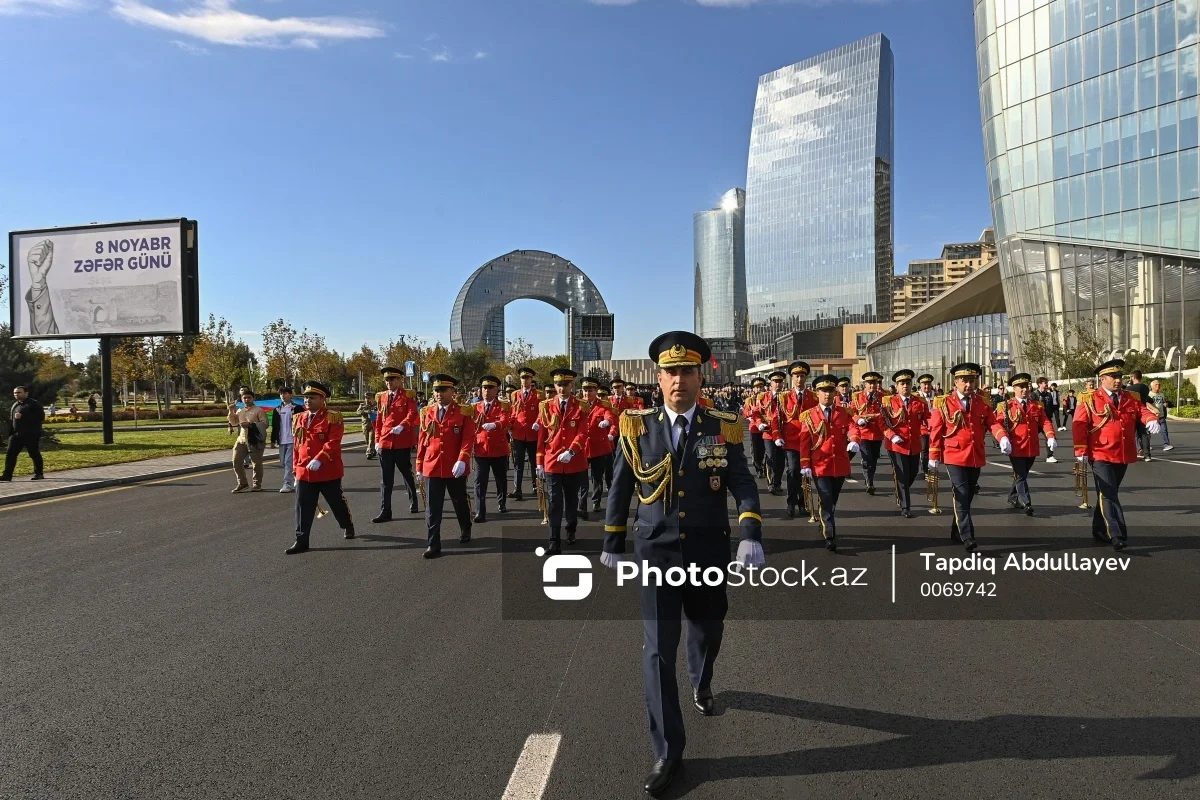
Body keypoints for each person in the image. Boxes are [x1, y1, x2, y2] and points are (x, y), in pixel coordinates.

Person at [599, 331, 763, 797]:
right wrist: (613, 538)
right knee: (656, 650)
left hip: (709, 550)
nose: (678, 381)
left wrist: (750, 530)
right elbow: (621, 485)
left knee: (710, 626)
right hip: (656, 552)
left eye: (686, 372)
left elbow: (742, 482)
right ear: (658, 377)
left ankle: (702, 677)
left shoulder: (722, 424)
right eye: (670, 372)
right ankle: (669, 751)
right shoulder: (636, 426)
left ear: (700, 375)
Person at [1073, 359, 1160, 550]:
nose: (1118, 380)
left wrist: (1151, 419)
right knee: (1108, 493)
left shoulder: (1131, 397)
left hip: (1122, 453)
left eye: (1120, 376)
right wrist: (1080, 450)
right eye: (1113, 376)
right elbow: (1079, 425)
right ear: (1102, 379)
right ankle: (1116, 533)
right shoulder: (1088, 398)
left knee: (1108, 493)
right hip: (1100, 453)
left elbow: (1142, 411)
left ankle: (1098, 528)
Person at [927, 362, 1009, 551]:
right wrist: (933, 455)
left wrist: (1002, 437)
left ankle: (956, 530)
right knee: (962, 492)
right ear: (956, 381)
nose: (969, 384)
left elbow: (992, 423)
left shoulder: (982, 401)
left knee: (969, 494)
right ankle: (967, 535)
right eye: (964, 380)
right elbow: (936, 430)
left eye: (972, 380)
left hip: (975, 455)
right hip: (953, 455)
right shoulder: (943, 402)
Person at [284, 381, 355, 554]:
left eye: (312, 397)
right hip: (304, 471)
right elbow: (297, 446)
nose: (307, 400)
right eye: (306, 397)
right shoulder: (298, 418)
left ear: (322, 399)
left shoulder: (332, 417)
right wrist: (295, 470)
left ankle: (347, 524)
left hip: (327, 470)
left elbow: (334, 442)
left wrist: (320, 458)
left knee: (336, 502)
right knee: (302, 506)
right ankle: (301, 540)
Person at [415, 374, 475, 558]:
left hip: (454, 465)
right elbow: (422, 439)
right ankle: (433, 543)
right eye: (436, 390)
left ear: (452, 392)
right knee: (433, 507)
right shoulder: (427, 412)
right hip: (432, 465)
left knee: (459, 501)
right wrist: (419, 465)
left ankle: (465, 527)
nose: (439, 394)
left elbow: (468, 438)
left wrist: (462, 459)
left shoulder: (464, 412)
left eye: (443, 390)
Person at [799, 374, 855, 548]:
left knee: (832, 499)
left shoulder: (844, 412)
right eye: (824, 391)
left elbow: (853, 427)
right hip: (820, 464)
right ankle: (830, 533)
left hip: (839, 464)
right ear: (817, 393)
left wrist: (854, 439)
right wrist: (804, 464)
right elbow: (804, 441)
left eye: (831, 390)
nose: (828, 394)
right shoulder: (808, 415)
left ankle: (824, 521)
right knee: (826, 497)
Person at [536, 368, 589, 552]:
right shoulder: (546, 406)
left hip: (573, 462)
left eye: (565, 385)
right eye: (558, 385)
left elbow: (583, 433)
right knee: (555, 501)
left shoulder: (581, 406)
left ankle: (571, 528)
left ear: (572, 385)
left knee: (572, 500)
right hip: (552, 461)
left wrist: (572, 451)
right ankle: (554, 540)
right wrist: (539, 462)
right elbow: (542, 436)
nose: (561, 388)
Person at [1000, 373, 1056, 516]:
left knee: (1022, 475)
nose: (1025, 390)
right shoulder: (1006, 405)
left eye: (1027, 386)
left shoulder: (1036, 405)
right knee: (1021, 475)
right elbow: (997, 423)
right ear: (1014, 388)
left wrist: (1050, 436)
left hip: (1032, 446)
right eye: (1021, 387)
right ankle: (1027, 502)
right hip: (1016, 446)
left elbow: (1045, 421)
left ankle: (1012, 497)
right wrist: (1002, 438)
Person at [373, 367, 421, 522]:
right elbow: (379, 420)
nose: (389, 382)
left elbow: (412, 413)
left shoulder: (407, 395)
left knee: (406, 472)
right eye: (387, 380)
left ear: (400, 380)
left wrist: (403, 425)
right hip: (385, 442)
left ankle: (413, 500)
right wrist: (376, 439)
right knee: (386, 479)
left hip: (401, 441)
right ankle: (385, 510)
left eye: (392, 379)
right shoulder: (381, 397)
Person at [882, 369, 930, 518]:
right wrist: (892, 435)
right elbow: (881, 423)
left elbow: (928, 418)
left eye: (908, 383)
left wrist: (935, 429)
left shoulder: (919, 402)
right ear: (897, 386)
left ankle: (901, 491)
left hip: (914, 444)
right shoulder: (889, 401)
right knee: (902, 474)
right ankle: (906, 506)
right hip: (896, 445)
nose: (905, 386)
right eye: (902, 383)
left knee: (913, 472)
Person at [778, 360, 818, 519]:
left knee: (805, 472)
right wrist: (777, 435)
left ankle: (803, 503)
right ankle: (791, 501)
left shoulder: (814, 396)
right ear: (791, 378)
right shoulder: (784, 397)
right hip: (791, 440)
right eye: (796, 376)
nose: (799, 379)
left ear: (806, 377)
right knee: (793, 470)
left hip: (809, 440)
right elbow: (778, 417)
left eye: (802, 376)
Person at [472, 374, 511, 523]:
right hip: (481, 449)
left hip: (498, 449)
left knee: (500, 479)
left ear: (496, 390)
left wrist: (495, 425)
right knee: (480, 481)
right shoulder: (475, 407)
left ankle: (501, 502)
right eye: (484, 387)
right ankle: (480, 511)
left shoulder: (502, 405)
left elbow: (505, 419)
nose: (486, 390)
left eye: (490, 388)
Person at [579, 377, 618, 514]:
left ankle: (596, 501)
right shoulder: (577, 404)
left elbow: (610, 416)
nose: (587, 393)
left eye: (590, 390)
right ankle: (582, 504)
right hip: (582, 447)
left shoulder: (603, 405)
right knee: (582, 478)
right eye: (585, 390)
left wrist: (607, 422)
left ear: (595, 391)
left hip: (599, 447)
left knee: (597, 477)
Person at [507, 367, 543, 502]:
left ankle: (536, 486)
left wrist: (538, 423)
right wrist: (510, 427)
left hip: (533, 433)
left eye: (527, 378)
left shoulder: (538, 395)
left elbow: (541, 413)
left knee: (534, 462)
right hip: (519, 433)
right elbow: (513, 412)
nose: (525, 380)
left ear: (531, 379)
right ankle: (517, 489)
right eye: (523, 378)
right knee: (518, 463)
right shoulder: (515, 394)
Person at [849, 372, 887, 494]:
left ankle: (870, 478)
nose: (872, 385)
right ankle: (869, 482)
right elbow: (852, 413)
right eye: (869, 383)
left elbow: (887, 414)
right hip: (863, 432)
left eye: (874, 383)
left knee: (874, 459)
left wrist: (874, 416)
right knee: (867, 458)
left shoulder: (884, 396)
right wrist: (859, 419)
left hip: (877, 433)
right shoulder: (857, 397)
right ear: (865, 384)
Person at [751, 371, 786, 496]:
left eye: (780, 382)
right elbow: (755, 413)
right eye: (775, 382)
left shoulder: (787, 397)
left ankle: (778, 483)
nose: (778, 384)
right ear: (770, 384)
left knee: (781, 460)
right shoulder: (763, 397)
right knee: (771, 457)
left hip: (784, 434)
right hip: (769, 433)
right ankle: (771, 484)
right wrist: (759, 423)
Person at [227, 388, 268, 493]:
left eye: (249, 397)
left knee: (256, 463)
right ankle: (242, 483)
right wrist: (231, 410)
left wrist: (250, 425)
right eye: (244, 397)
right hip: (242, 440)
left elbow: (265, 424)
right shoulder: (240, 410)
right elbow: (234, 423)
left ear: (253, 398)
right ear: (241, 398)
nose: (246, 399)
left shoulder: (259, 410)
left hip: (255, 440)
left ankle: (257, 484)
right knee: (236, 461)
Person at [2, 386, 46, 481]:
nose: (16, 394)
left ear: (26, 393)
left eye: (19, 392)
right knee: (10, 454)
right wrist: (10, 433)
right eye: (15, 393)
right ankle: (7, 475)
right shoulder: (15, 405)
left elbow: (41, 418)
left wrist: (24, 416)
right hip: (16, 435)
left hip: (30, 434)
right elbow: (12, 420)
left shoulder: (33, 404)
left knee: (34, 454)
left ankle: (39, 473)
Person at [269, 386, 300, 493]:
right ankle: (297, 477)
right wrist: (273, 440)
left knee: (288, 462)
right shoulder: (277, 409)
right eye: (281, 394)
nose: (283, 395)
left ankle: (287, 484)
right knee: (283, 462)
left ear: (290, 394)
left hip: (293, 439)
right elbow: (275, 426)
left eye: (285, 393)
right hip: (282, 440)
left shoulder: (297, 408)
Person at [744, 377, 768, 478]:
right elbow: (745, 414)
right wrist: (751, 411)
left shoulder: (768, 398)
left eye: (761, 387)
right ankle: (758, 467)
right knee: (756, 450)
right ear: (753, 389)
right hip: (754, 428)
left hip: (767, 427)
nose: (759, 389)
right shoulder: (749, 400)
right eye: (756, 387)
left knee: (766, 449)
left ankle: (766, 467)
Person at [1126, 370, 1153, 461]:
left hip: (1132, 414)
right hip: (1143, 413)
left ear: (1133, 377)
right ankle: (1147, 455)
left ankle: (1131, 453)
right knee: (1144, 434)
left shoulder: (1129, 389)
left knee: (1130, 434)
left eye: (1131, 377)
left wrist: (1128, 386)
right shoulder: (1146, 387)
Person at [916, 373, 937, 473]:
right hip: (922, 428)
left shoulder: (937, 396)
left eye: (928, 384)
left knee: (934, 447)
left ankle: (932, 466)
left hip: (935, 427)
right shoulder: (916, 397)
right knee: (924, 449)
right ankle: (925, 469)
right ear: (920, 385)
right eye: (924, 384)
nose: (926, 386)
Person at [1035, 377, 1057, 461]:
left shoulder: (1049, 394)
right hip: (1036, 421)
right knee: (1030, 437)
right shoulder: (1034, 394)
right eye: (1045, 383)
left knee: (1050, 436)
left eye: (1047, 383)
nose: (1047, 384)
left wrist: (1051, 415)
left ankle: (1050, 456)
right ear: (1040, 384)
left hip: (1046, 420)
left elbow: (1051, 406)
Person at [1148, 379, 1174, 451]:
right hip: (1151, 416)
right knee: (1148, 431)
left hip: (1161, 415)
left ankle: (1166, 444)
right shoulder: (1149, 394)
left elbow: (1163, 403)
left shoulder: (1161, 394)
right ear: (1152, 386)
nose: (1158, 386)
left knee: (1164, 430)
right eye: (1156, 385)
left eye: (1159, 385)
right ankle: (1147, 445)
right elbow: (1146, 404)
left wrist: (1166, 404)